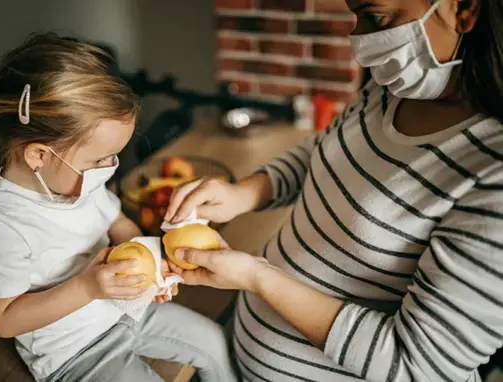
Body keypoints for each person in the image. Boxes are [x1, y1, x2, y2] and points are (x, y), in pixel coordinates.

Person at [164, 0, 503, 381]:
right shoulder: (390, 90)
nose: (357, 38)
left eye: (375, 17)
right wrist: (245, 193)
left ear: (465, 10)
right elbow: (325, 151)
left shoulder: (493, 173)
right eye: (355, 16)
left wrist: (257, 278)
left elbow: (415, 365)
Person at [0, 33, 237, 382]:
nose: (109, 167)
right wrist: (87, 287)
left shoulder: (74, 178)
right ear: (39, 155)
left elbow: (119, 223)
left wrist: (151, 268)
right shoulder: (0, 225)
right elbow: (4, 320)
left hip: (124, 312)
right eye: (100, 159)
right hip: (75, 352)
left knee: (212, 340)